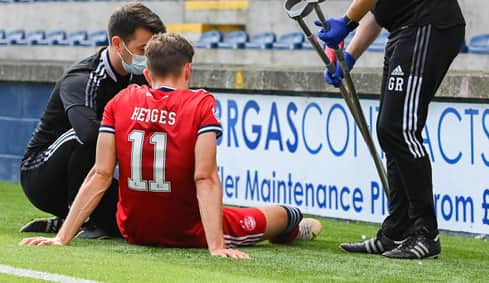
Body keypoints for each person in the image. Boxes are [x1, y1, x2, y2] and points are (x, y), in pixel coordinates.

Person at [276, 0, 465, 259]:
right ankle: (396, 231)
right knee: (390, 130)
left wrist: (344, 22)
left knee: (399, 128)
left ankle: (425, 235)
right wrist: (348, 53)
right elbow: (379, 3)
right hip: (405, 28)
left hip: (427, 23)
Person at [20, 33, 322, 257]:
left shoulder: (120, 101)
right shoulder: (201, 103)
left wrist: (62, 238)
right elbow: (205, 177)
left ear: (147, 73)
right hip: (187, 230)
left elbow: (99, 175)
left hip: (133, 230)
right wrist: (216, 246)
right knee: (278, 214)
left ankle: (290, 228)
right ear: (188, 70)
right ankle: (293, 224)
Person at [20, 3, 166, 238]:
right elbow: (87, 133)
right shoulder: (82, 79)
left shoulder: (141, 77)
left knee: (135, 221)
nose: (149, 58)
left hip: (89, 175)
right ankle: (79, 219)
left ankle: (73, 219)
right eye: (143, 49)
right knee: (91, 134)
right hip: (42, 176)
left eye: (154, 50)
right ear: (118, 44)